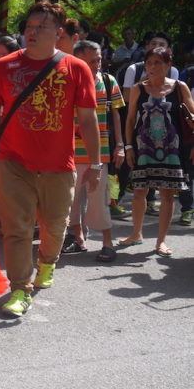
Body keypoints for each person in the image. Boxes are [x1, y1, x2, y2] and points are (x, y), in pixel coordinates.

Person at [0, 0, 99, 318]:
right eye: (29, 26)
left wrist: (95, 164)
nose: (33, 32)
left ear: (59, 33)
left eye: (42, 27)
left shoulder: (76, 68)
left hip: (58, 164)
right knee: (18, 229)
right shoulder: (4, 66)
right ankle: (20, 288)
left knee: (54, 227)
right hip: (13, 161)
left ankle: (48, 263)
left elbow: (87, 120)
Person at [120, 46, 194, 259]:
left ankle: (161, 241)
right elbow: (130, 120)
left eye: (158, 63)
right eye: (149, 63)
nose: (152, 67)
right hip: (143, 148)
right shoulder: (138, 89)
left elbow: (192, 118)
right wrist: (128, 147)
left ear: (169, 65)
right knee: (139, 192)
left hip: (172, 149)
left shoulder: (180, 87)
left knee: (167, 194)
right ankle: (136, 233)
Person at [63, 40, 124, 262]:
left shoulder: (108, 82)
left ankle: (107, 243)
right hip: (70, 151)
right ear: (78, 60)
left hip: (100, 152)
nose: (97, 64)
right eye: (91, 61)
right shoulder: (67, 82)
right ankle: (77, 238)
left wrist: (120, 146)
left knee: (99, 199)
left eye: (98, 59)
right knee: (71, 199)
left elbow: (115, 116)